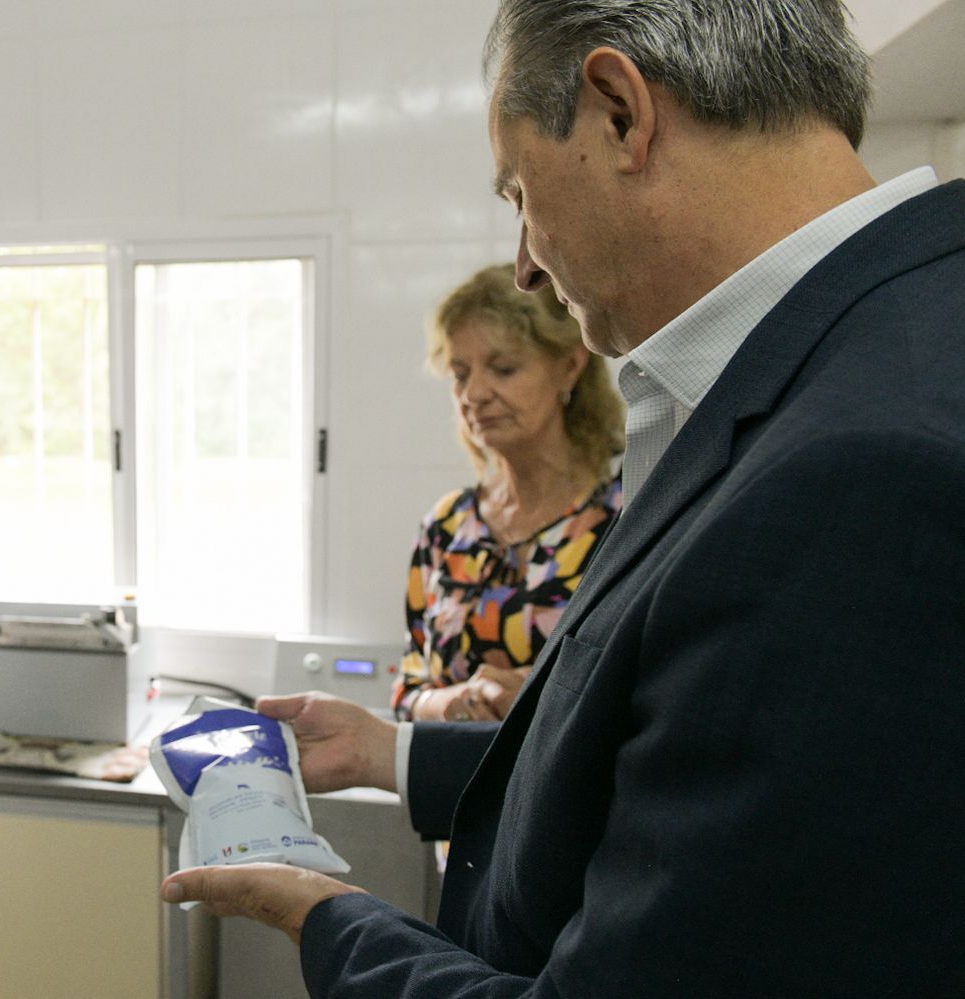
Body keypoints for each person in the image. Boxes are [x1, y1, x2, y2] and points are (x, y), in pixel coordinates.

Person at [160, 2, 965, 995]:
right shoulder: (889, 339)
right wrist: (393, 751)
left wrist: (331, 921)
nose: (527, 263)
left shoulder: (856, 474)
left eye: (518, 191)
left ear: (620, 113)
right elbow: (666, 764)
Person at [394, 264, 622, 724]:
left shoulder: (626, 517)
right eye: (460, 374)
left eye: (503, 368)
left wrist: (537, 699)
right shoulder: (447, 526)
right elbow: (408, 690)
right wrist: (455, 703)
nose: (475, 393)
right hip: (443, 788)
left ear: (570, 366)